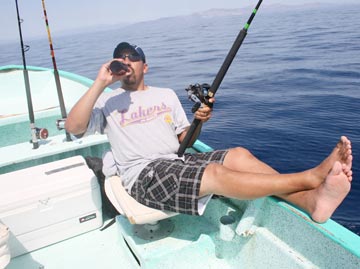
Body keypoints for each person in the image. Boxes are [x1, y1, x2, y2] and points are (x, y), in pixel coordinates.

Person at [65, 42, 353, 223]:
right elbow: (73, 128)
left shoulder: (164, 95)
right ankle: (310, 177)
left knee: (238, 155)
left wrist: (199, 120)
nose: (125, 61)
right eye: (119, 58)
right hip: (144, 175)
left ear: (145, 66)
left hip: (175, 161)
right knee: (214, 174)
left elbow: (183, 139)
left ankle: (311, 201)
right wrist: (100, 83)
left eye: (132, 57)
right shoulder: (106, 100)